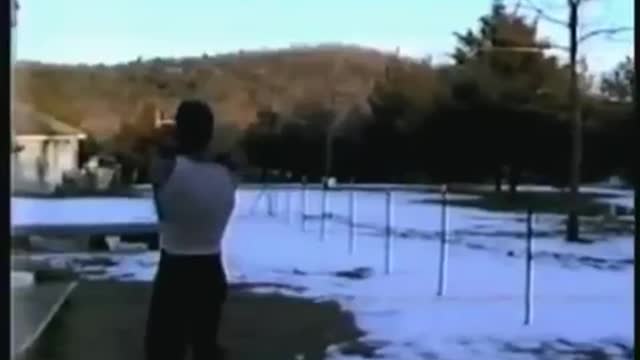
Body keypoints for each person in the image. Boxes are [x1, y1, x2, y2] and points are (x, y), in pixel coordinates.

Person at [145, 100, 236, 360]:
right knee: (205, 347)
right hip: (211, 268)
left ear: (179, 130)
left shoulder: (165, 168)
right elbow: (232, 158)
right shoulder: (227, 173)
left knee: (163, 350)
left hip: (175, 269)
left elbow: (159, 158)